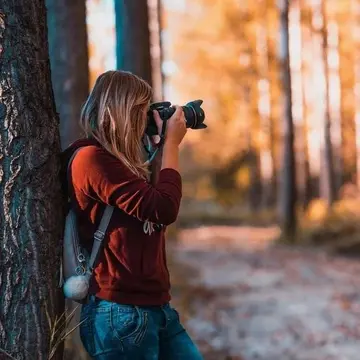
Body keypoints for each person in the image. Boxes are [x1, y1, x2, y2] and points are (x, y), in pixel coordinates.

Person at [61, 70, 203, 360]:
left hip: (154, 308)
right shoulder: (92, 159)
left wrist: (156, 149)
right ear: (125, 111)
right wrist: (172, 146)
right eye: (142, 109)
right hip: (120, 312)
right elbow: (163, 209)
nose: (146, 116)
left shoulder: (117, 162)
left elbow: (145, 212)